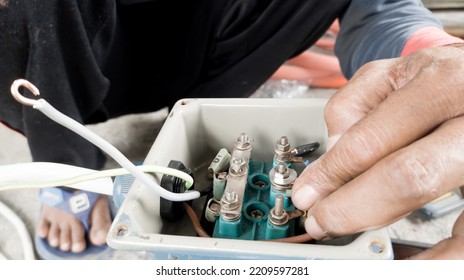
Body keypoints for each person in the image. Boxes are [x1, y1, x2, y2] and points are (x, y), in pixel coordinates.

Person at [0, 0, 463, 259]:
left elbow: (380, 10)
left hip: (212, 34)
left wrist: (432, 59)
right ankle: (67, 174)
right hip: (82, 46)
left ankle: (192, 123)